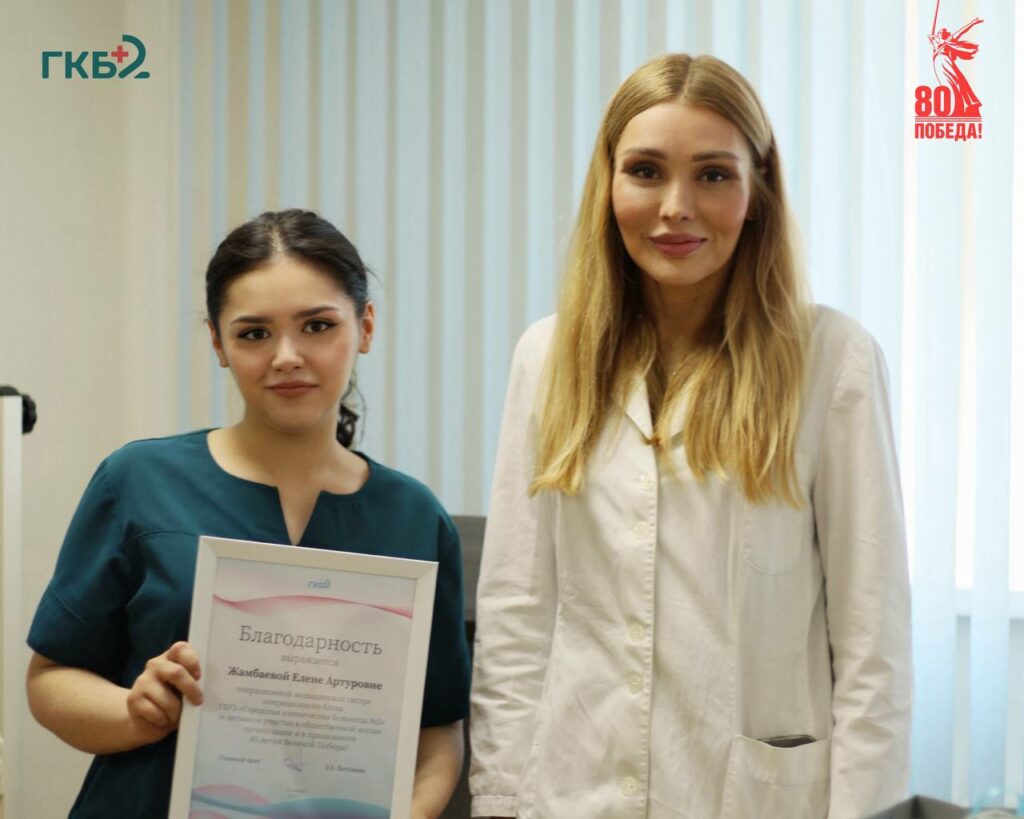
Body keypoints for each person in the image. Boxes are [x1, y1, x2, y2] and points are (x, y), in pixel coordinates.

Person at [469, 53, 911, 819]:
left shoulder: (834, 361)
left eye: (712, 174)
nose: (676, 207)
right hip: (571, 793)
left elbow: (875, 647)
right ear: (609, 185)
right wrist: (501, 802)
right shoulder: (546, 357)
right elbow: (517, 615)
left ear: (758, 192)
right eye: (646, 171)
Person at [26, 209, 471, 818]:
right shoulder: (139, 482)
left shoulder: (414, 518)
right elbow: (50, 679)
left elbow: (438, 725)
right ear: (218, 343)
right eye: (254, 333)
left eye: (317, 326)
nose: (286, 356)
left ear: (365, 326)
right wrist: (133, 711)